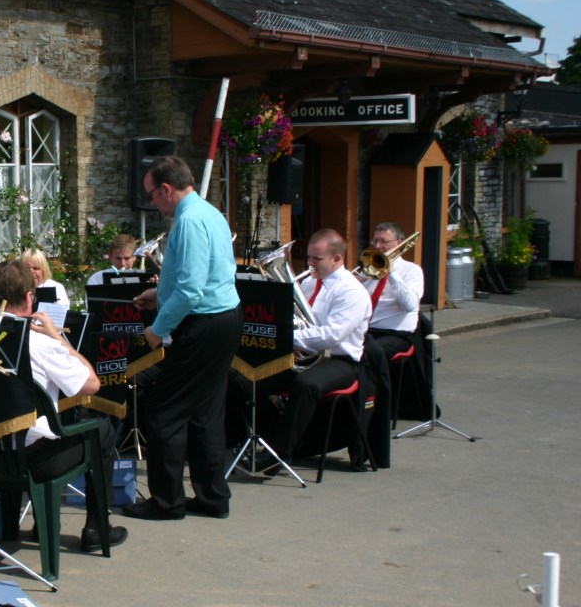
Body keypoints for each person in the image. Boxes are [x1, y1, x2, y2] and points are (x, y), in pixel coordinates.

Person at [124, 156, 241, 521]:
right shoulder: (209, 212)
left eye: (151, 196)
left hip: (203, 324)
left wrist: (157, 329)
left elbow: (191, 290)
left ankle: (167, 502)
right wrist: (159, 295)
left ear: (166, 189)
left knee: (164, 411)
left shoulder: (188, 221)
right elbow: (199, 276)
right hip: (224, 318)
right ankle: (212, 497)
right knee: (205, 413)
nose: (151, 203)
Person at [0, 259, 129, 550]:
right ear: (30, 297)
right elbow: (92, 384)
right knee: (101, 431)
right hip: (36, 460)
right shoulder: (41, 344)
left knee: (43, 424)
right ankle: (96, 529)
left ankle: (35, 524)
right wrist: (59, 338)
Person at [238, 228, 371, 467]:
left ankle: (280, 454)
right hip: (306, 357)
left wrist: (287, 338)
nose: (310, 264)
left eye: (317, 259)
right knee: (244, 382)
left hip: (340, 361)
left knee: (305, 384)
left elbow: (331, 335)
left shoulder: (352, 292)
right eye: (309, 257)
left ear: (337, 259)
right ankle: (275, 439)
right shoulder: (309, 283)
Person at [359, 222, 423, 358]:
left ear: (399, 243)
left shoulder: (412, 270)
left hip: (395, 333)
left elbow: (410, 305)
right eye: (375, 241)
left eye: (383, 241)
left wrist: (392, 272)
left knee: (369, 352)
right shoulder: (368, 270)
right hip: (366, 331)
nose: (377, 246)